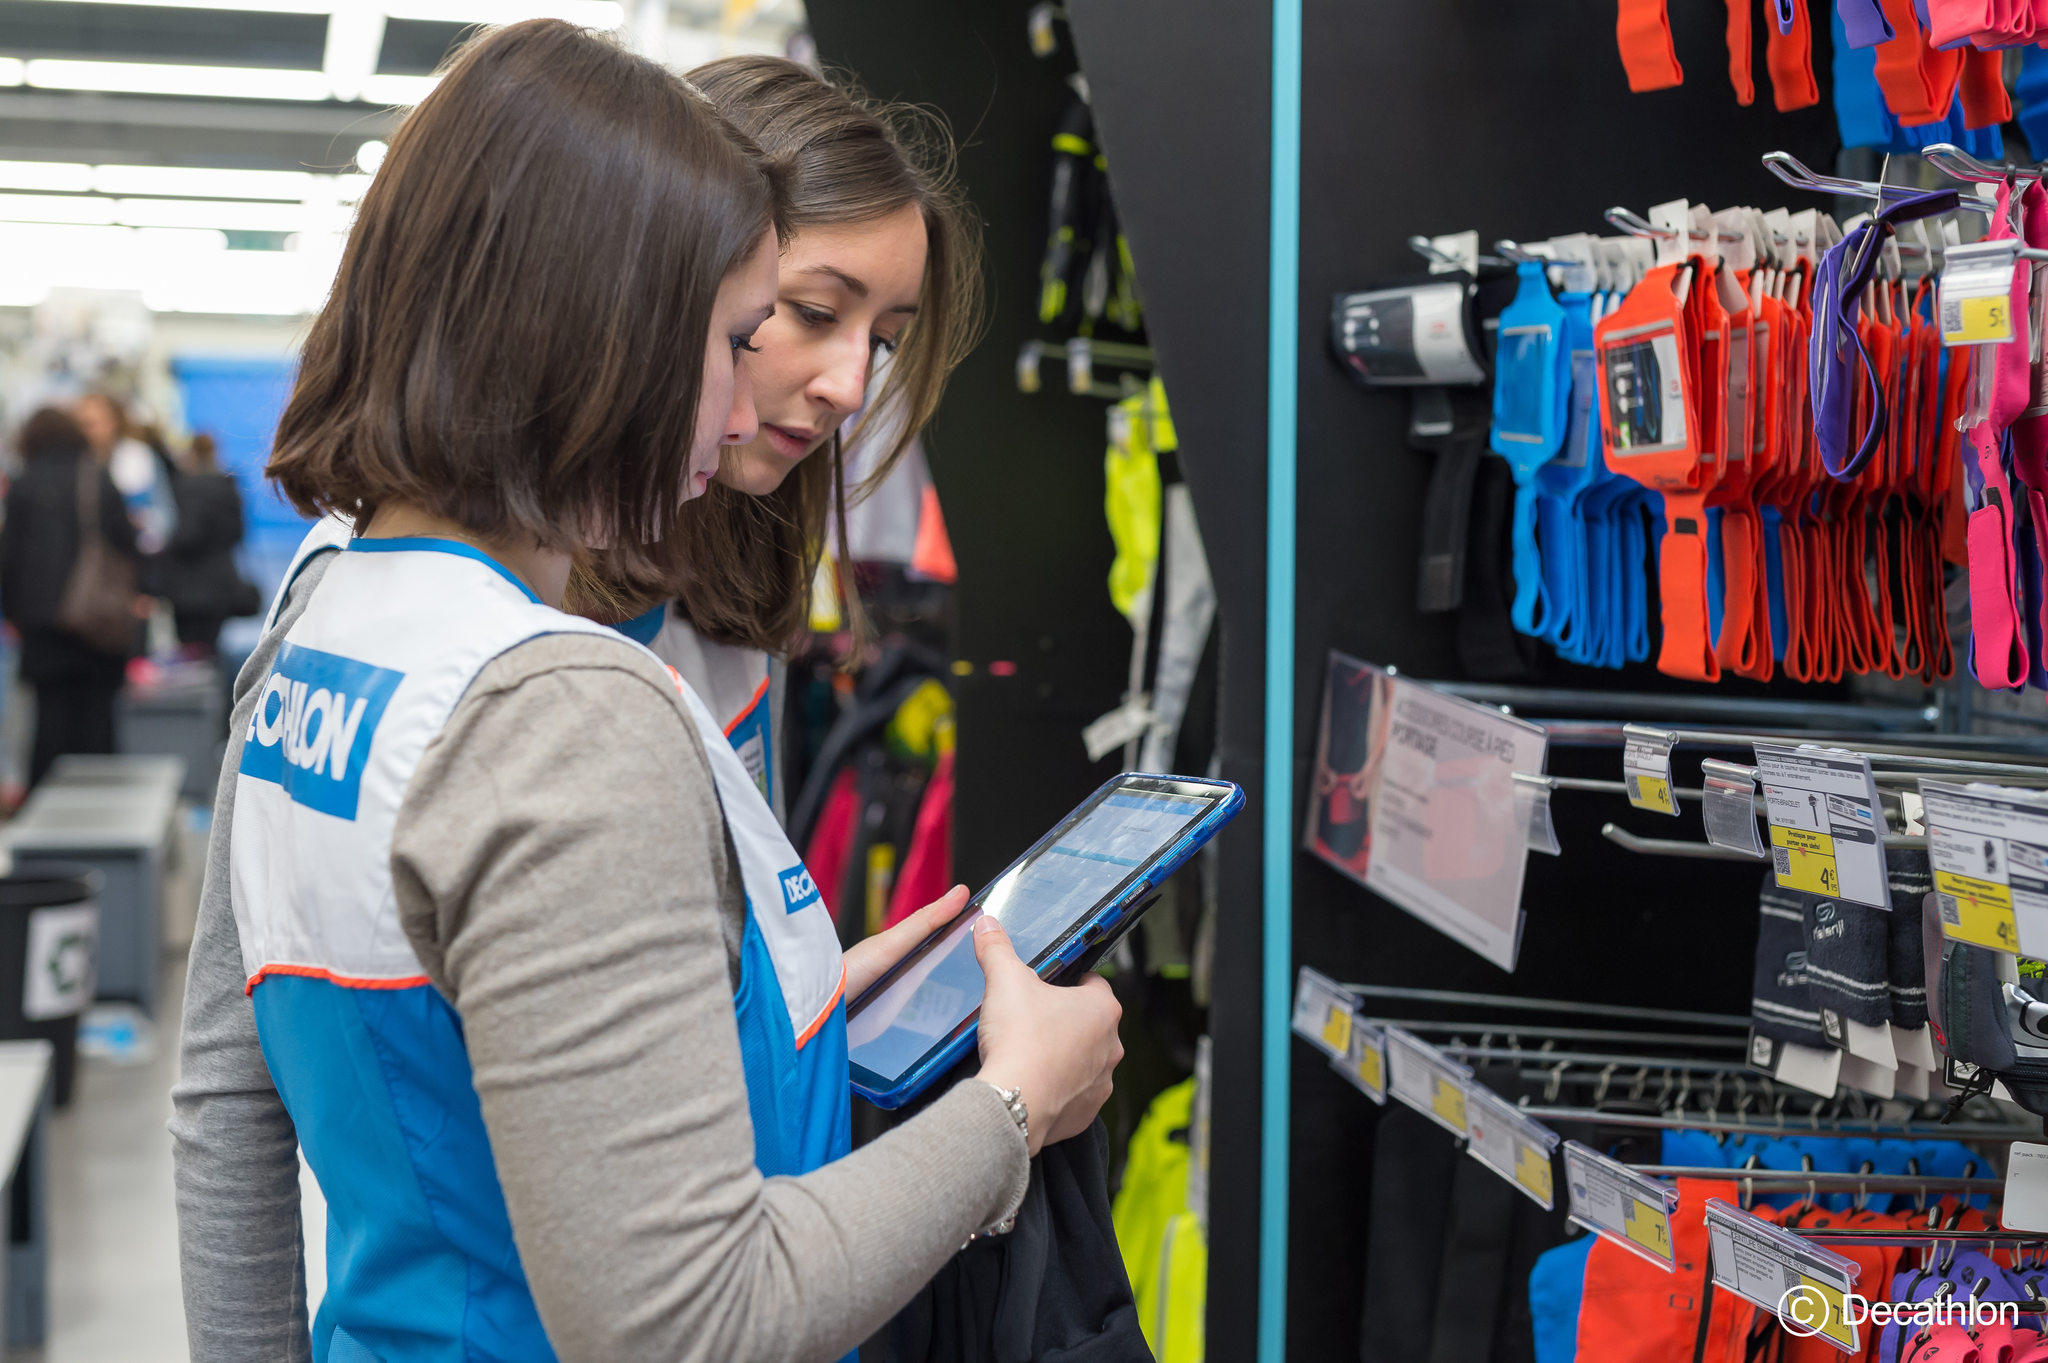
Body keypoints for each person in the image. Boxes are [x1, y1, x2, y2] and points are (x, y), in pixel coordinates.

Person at [169, 21, 1123, 1363]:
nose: (799, 394)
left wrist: (774, 997)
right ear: (611, 303)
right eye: (764, 322)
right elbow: (689, 1314)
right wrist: (1014, 1105)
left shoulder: (360, 633)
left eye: (885, 337)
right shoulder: (551, 706)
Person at [582, 54, 980, 821]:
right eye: (815, 314)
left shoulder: (734, 589)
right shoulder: (475, 605)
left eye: (885, 342)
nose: (852, 388)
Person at [0, 407, 140, 787]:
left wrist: (14, 613)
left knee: (49, 722)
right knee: (97, 721)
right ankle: (97, 817)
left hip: (41, 626)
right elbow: (126, 546)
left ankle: (45, 819)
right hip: (96, 621)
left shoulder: (24, 484)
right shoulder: (96, 478)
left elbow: (8, 557)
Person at [156, 433, 251, 652]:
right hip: (223, 580)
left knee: (191, 652)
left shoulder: (190, 487)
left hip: (191, 586)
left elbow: (189, 535)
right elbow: (239, 532)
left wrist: (161, 549)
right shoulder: (228, 486)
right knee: (211, 648)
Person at [76, 392, 177, 554]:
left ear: (114, 421)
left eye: (94, 423)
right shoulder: (73, 463)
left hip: (132, 558)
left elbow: (164, 513)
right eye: (83, 424)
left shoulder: (138, 457)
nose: (89, 431)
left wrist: (144, 525)